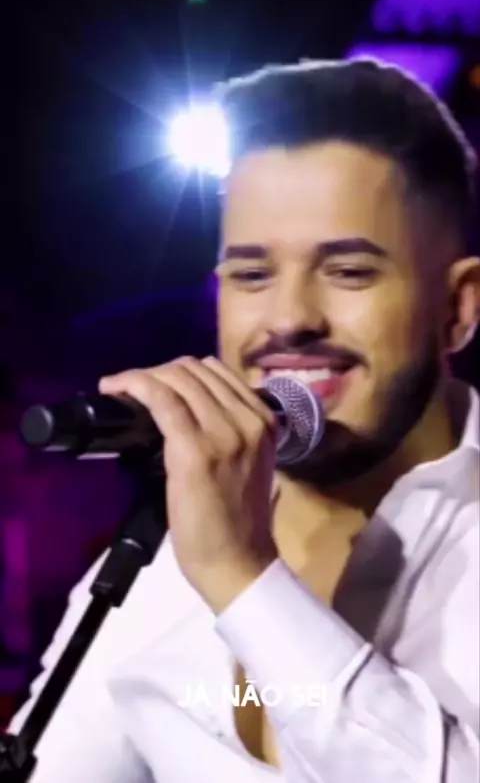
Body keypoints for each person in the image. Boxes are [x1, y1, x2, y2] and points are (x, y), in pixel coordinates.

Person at [8, 58, 480, 781]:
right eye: (253, 275)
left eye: (349, 271)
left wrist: (241, 577)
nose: (289, 319)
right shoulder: (166, 559)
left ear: (458, 307)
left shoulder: (213, 551)